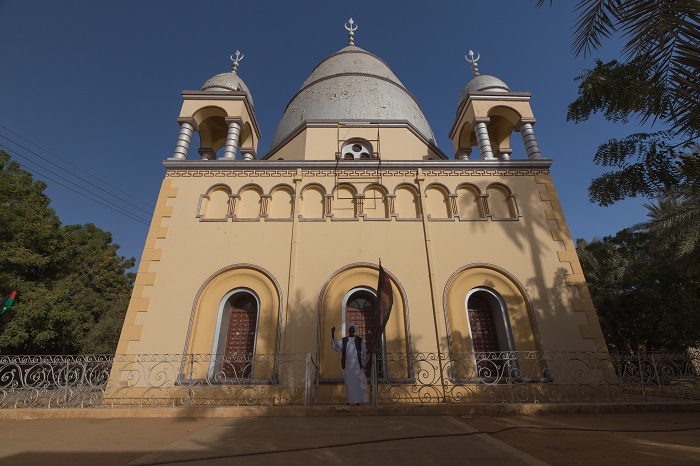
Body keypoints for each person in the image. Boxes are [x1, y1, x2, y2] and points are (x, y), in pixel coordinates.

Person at [330, 324, 369, 405]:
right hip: (348, 366)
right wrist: (333, 333)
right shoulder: (344, 340)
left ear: (354, 331)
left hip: (358, 366)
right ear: (348, 331)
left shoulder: (359, 340)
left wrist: (363, 363)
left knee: (359, 382)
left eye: (352, 329)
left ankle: (359, 400)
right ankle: (350, 401)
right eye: (350, 329)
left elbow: (364, 352)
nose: (351, 330)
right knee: (349, 383)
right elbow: (336, 346)